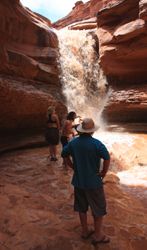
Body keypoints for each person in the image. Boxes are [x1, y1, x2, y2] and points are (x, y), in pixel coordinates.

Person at [61, 118, 110, 245]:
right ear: (92, 131)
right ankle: (98, 235)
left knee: (81, 208)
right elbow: (107, 157)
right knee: (98, 208)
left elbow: (63, 154)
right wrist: (103, 172)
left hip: (78, 181)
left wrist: (72, 166)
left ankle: (84, 231)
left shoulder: (73, 143)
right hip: (94, 182)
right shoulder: (97, 144)